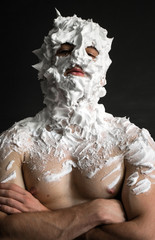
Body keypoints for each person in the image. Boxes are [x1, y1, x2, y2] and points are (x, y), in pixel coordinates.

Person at [0, 10, 155, 240]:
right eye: (64, 51)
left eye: (91, 54)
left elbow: (146, 233)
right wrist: (95, 212)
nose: (77, 59)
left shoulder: (131, 141)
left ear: (102, 75)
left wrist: (44, 217)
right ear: (47, 66)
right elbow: (5, 231)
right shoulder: (15, 141)